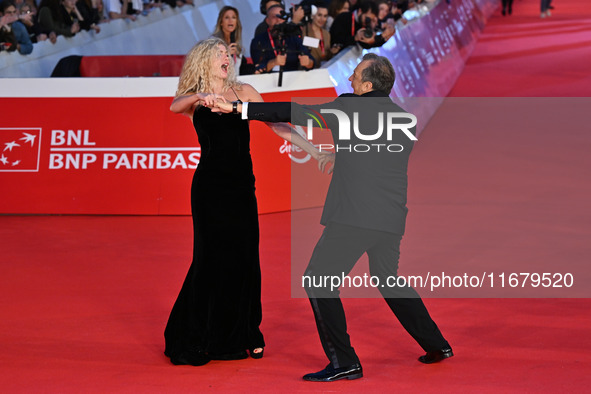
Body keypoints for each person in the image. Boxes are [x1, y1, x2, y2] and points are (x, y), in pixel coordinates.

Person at [214, 53, 453, 382]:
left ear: (367, 85)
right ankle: (436, 343)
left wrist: (239, 109)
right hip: (392, 218)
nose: (350, 80)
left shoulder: (349, 107)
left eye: (355, 76)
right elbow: (379, 160)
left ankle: (345, 361)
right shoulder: (403, 120)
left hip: (354, 218)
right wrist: (340, 156)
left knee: (317, 279)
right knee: (387, 279)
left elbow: (293, 113)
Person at [164, 37, 326, 366]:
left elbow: (277, 124)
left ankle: (248, 332)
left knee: (245, 256)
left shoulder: (245, 92)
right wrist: (200, 94)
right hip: (209, 189)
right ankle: (199, 334)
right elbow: (174, 106)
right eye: (220, 53)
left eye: (229, 53)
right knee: (209, 258)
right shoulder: (196, 100)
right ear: (204, 60)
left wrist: (314, 150)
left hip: (241, 187)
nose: (228, 56)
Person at [250, 4, 315, 73]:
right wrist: (274, 62)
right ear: (267, 20)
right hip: (267, 81)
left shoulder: (293, 38)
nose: (278, 20)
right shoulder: (258, 41)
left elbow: (312, 62)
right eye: (274, 17)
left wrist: (308, 63)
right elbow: (258, 67)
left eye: (281, 17)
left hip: (292, 80)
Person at [329, 0, 395, 54]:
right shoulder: (344, 17)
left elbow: (367, 44)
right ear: (360, 11)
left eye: (370, 20)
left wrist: (383, 37)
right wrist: (355, 38)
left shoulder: (363, 24)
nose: (367, 22)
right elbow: (336, 40)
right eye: (367, 19)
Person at [211, 6, 253, 76]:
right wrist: (227, 54)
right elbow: (210, 66)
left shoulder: (235, 43)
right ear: (221, 22)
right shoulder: (213, 42)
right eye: (227, 18)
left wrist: (255, 69)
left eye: (233, 17)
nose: (231, 20)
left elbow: (241, 69)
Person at [301, 2, 337, 67]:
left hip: (322, 70)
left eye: (325, 16)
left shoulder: (326, 34)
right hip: (308, 71)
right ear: (312, 16)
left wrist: (332, 52)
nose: (322, 19)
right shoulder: (304, 32)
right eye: (319, 15)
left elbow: (325, 56)